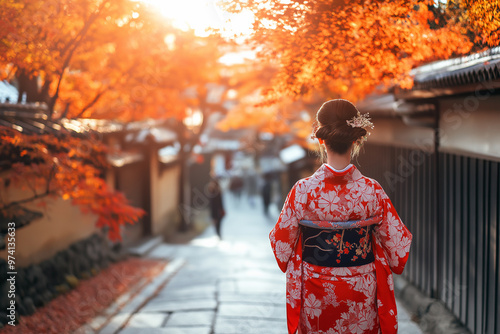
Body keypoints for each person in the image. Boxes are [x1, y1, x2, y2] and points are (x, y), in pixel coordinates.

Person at [269, 99, 412, 334]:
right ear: (355, 139)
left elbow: (281, 248)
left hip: (316, 291)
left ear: (320, 138)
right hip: (361, 291)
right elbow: (398, 250)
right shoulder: (372, 191)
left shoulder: (303, 191)